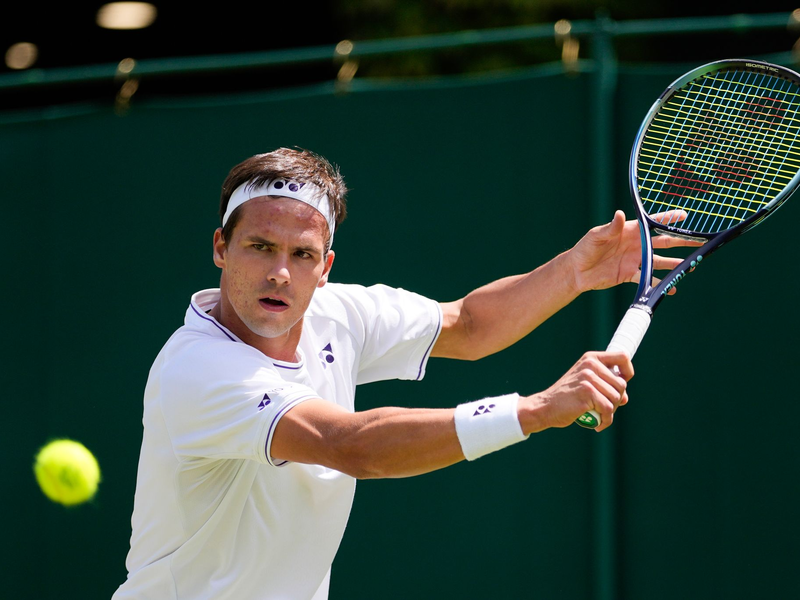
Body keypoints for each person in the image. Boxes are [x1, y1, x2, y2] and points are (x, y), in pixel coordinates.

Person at [113, 147, 692, 600]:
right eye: (260, 247)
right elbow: (352, 445)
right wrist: (534, 411)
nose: (280, 274)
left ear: (326, 266)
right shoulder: (199, 369)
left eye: (302, 254)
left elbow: (467, 324)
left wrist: (575, 271)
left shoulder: (339, 313)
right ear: (221, 247)